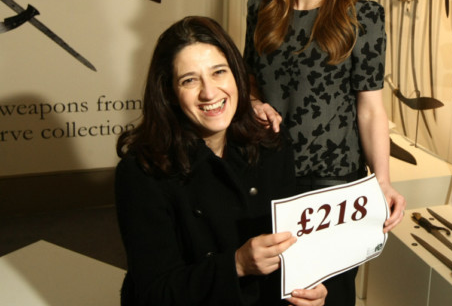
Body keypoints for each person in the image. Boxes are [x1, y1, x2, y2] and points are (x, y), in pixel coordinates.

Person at [243, 0, 406, 305]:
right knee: (267, 293)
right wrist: (254, 103)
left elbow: (370, 109)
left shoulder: (363, 17)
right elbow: (250, 84)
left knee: (323, 298)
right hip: (266, 180)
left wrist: (383, 181)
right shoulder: (260, 8)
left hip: (334, 191)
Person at [114, 16, 327, 306]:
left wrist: (307, 287)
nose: (209, 92)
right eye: (189, 80)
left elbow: (293, 245)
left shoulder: (270, 142)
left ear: (237, 75)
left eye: (219, 72)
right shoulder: (142, 172)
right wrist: (237, 264)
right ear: (169, 93)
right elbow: (155, 292)